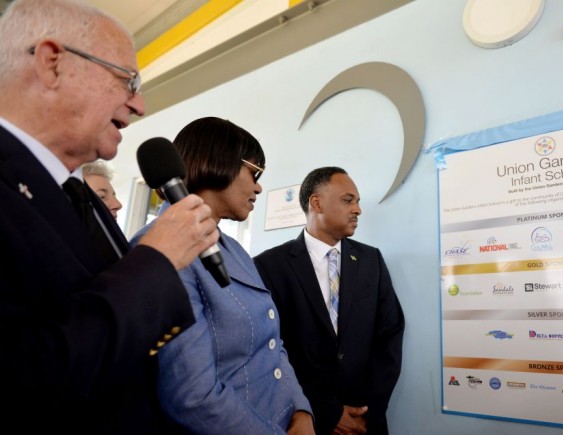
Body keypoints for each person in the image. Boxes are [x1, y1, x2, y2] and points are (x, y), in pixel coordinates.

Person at [0, 0, 220, 433]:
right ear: (52, 63)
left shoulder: (73, 194)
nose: (139, 105)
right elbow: (25, 378)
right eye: (128, 80)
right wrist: (157, 261)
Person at [131, 117, 315, 434]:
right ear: (218, 160)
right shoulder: (160, 250)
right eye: (254, 172)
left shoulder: (234, 249)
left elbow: (272, 343)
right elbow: (193, 397)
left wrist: (300, 410)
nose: (258, 186)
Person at [254, 167, 405, 435]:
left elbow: (390, 335)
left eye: (357, 201)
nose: (358, 209)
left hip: (365, 421)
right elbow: (270, 348)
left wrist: (369, 410)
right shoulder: (269, 266)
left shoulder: (372, 261)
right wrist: (326, 413)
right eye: (349, 200)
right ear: (317, 202)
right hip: (305, 420)